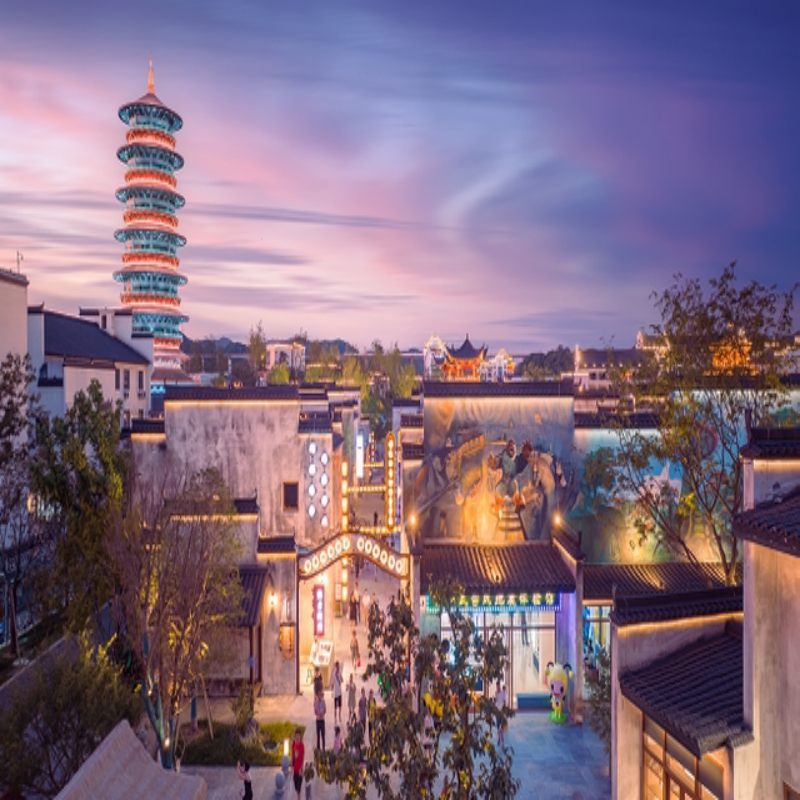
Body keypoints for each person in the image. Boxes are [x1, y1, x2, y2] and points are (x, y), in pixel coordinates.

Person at [291, 729, 304, 799]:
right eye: (296, 737)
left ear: (300, 737)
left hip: (300, 770)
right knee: (296, 787)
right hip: (295, 770)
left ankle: (299, 798)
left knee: (299, 787)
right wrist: (292, 767)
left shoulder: (302, 745)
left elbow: (302, 757)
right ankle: (298, 796)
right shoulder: (293, 744)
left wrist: (301, 768)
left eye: (299, 737)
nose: (297, 738)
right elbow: (293, 756)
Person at [330, 661, 343, 725]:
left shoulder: (339, 672)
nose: (338, 668)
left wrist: (341, 676)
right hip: (336, 693)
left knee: (340, 706)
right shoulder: (334, 674)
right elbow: (332, 683)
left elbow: (342, 680)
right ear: (336, 667)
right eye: (338, 666)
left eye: (339, 666)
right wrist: (332, 691)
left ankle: (339, 716)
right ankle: (335, 719)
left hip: (340, 692)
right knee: (335, 707)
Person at [495, 681, 507, 750]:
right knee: (498, 728)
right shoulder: (496, 693)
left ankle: (503, 745)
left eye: (499, 686)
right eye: (497, 686)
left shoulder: (503, 693)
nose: (498, 687)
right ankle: (498, 738)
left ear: (500, 686)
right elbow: (496, 701)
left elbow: (505, 701)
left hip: (502, 712)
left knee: (502, 729)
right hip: (497, 712)